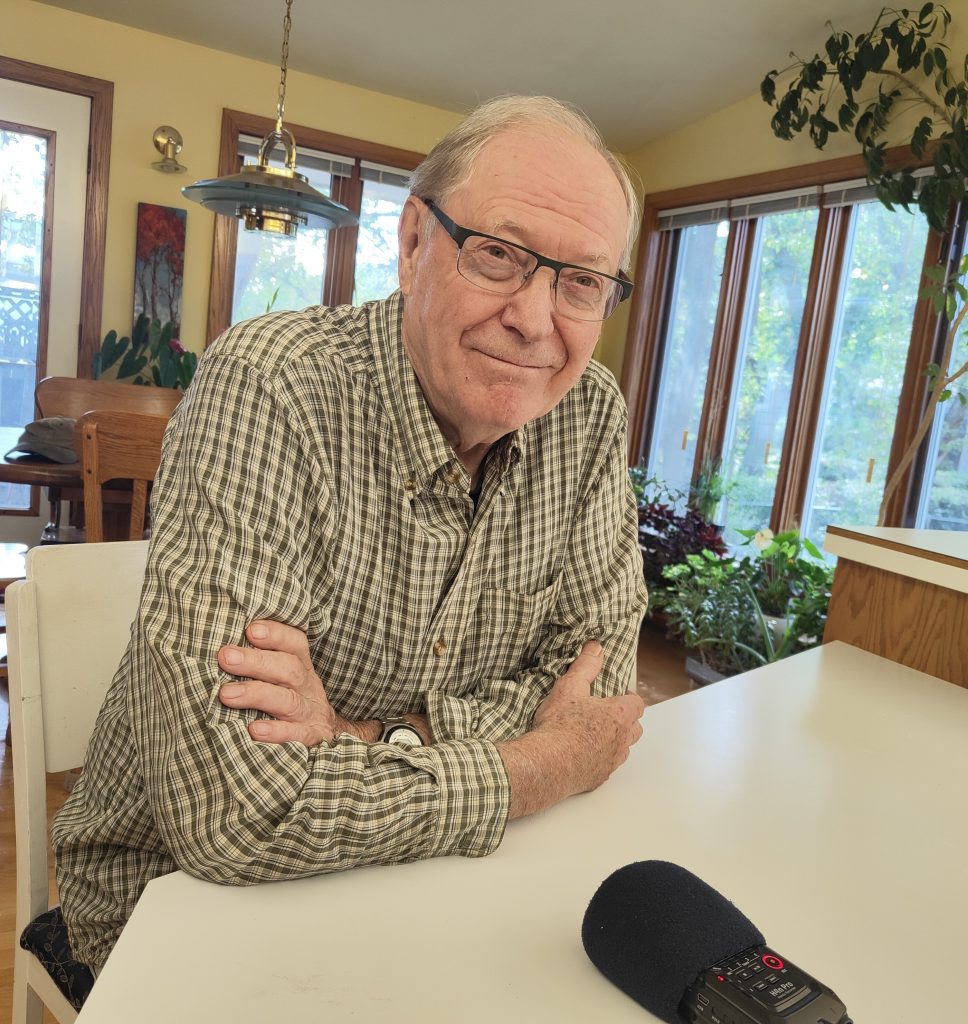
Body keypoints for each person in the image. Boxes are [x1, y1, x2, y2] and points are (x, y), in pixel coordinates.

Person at [52, 95, 649, 974]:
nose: (535, 318)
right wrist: (537, 765)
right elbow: (232, 815)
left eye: (581, 280)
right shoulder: (271, 388)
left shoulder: (589, 415)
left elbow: (602, 691)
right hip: (176, 907)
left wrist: (356, 734)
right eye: (498, 255)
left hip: (437, 886)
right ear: (414, 243)